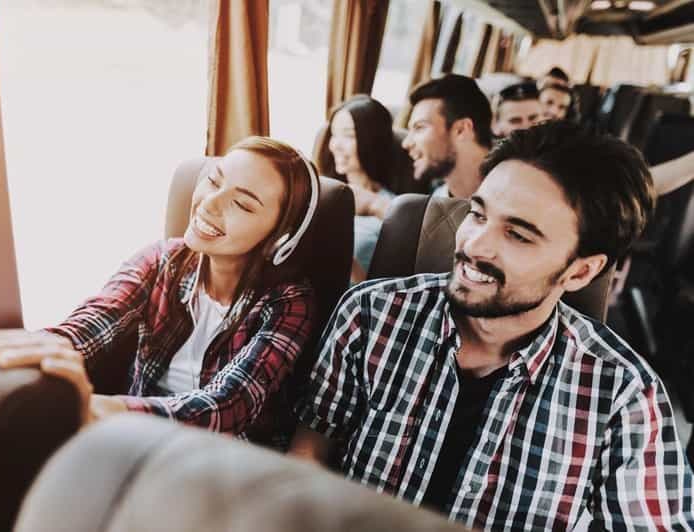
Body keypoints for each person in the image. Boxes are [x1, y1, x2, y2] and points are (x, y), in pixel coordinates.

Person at [291, 121, 694, 529]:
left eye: (517, 235)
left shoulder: (623, 394)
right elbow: (309, 457)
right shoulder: (371, 314)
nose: (474, 244)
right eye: (477, 214)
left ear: (580, 272)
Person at [0, 136, 320, 451]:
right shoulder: (163, 260)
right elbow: (85, 329)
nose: (210, 204)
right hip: (129, 439)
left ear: (279, 238)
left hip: (223, 462)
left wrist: (97, 409)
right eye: (213, 181)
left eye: (242, 204)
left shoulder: (290, 303)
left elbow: (228, 406)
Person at [316, 95, 396, 283]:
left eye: (349, 136)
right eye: (334, 134)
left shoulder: (391, 209)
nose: (336, 145)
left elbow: (379, 289)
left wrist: (342, 254)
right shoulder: (322, 192)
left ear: (373, 140)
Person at [402, 74, 492, 199]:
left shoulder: (516, 194)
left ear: (462, 130)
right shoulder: (438, 198)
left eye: (419, 127)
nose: (406, 143)